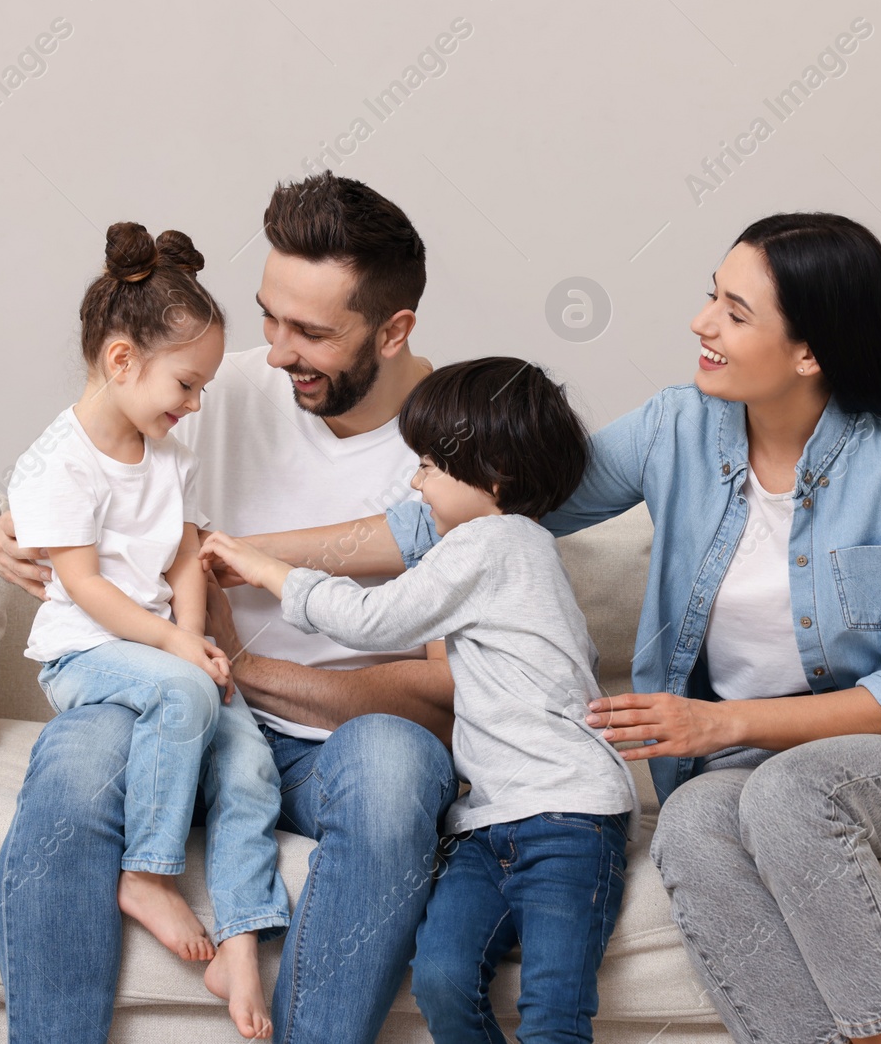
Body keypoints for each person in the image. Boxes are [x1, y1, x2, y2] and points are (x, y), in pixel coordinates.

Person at [259, 213, 881, 1044]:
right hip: (748, 766)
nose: (701, 323)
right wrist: (233, 552)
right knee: (693, 822)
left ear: (811, 352)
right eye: (710, 297)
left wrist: (721, 721)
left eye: (735, 312)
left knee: (785, 793)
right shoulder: (677, 428)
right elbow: (478, 507)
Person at [0, 174, 458, 1043]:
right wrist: (7, 533)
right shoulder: (210, 383)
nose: (276, 354)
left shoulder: (460, 443)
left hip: (324, 747)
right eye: (270, 317)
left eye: (310, 332)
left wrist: (243, 673)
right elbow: (86, 473)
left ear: (392, 332)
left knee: (397, 764)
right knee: (81, 752)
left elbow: (448, 693)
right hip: (180, 711)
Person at [199, 357, 639, 1044]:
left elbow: (374, 620)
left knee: (554, 1014)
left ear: (492, 478)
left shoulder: (496, 545)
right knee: (441, 976)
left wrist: (262, 567)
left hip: (567, 816)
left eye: (432, 464)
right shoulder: (491, 549)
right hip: (488, 822)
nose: (416, 481)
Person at [0, 222, 288, 1040]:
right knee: (185, 691)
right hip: (88, 652)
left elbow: (186, 555)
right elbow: (82, 586)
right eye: (187, 385)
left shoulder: (163, 450)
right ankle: (146, 872)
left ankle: (239, 935)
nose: (194, 405)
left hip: (163, 658)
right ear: (122, 360)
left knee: (252, 764)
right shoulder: (60, 462)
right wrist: (173, 652)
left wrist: (197, 640)